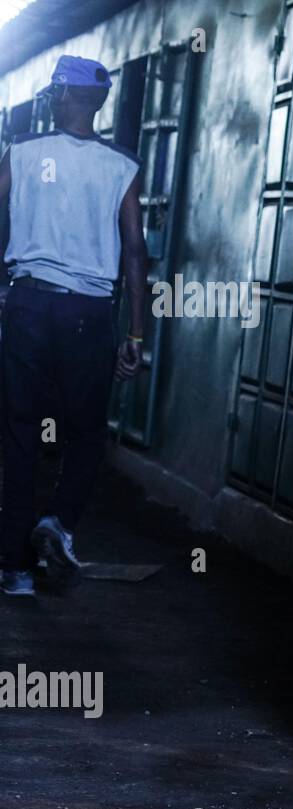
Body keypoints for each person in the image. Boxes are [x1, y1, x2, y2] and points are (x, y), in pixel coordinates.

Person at [0, 55, 146, 596]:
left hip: (29, 307)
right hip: (88, 315)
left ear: (63, 95)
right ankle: (57, 521)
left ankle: (15, 569)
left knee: (19, 433)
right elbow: (135, 252)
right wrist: (136, 334)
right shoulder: (120, 166)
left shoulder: (22, 149)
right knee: (86, 433)